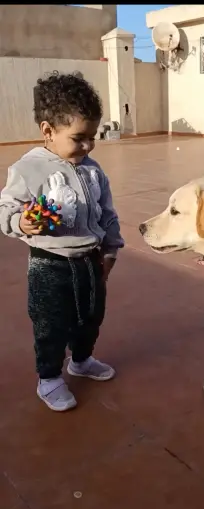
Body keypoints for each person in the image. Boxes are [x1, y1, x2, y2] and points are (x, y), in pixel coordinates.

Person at [0, 71, 124, 412]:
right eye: (78, 138)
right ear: (48, 132)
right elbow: (6, 208)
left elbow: (106, 212)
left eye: (92, 138)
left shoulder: (93, 169)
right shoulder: (28, 169)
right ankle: (49, 377)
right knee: (51, 324)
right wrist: (20, 221)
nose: (87, 146)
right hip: (49, 264)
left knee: (91, 316)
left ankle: (81, 360)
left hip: (90, 259)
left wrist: (111, 248)